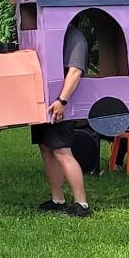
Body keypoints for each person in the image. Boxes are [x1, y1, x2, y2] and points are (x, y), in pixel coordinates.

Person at [32, 20, 91, 217]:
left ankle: (81, 203)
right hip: (44, 104)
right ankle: (57, 199)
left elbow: (75, 71)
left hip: (60, 105)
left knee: (62, 152)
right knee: (46, 149)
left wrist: (62, 101)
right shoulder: (46, 35)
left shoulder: (75, 38)